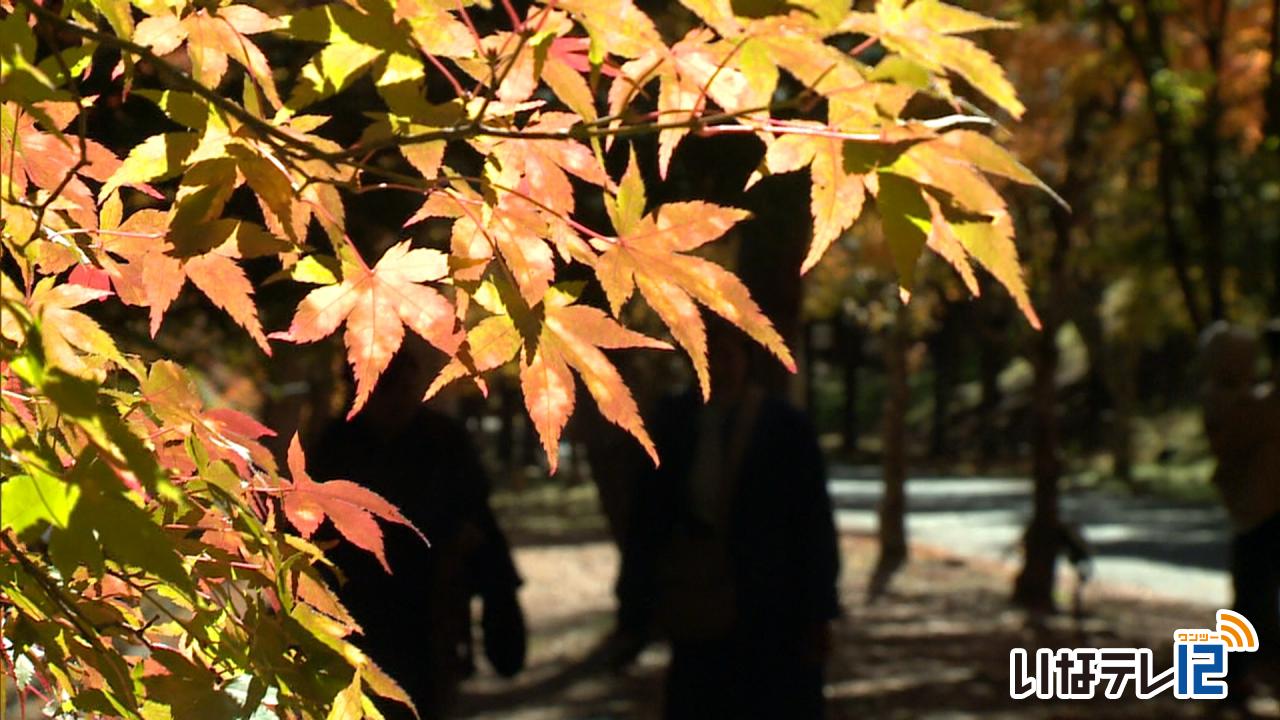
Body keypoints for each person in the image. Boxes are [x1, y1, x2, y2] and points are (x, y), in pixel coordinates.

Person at [613, 318, 841, 720]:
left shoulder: (783, 427)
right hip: (696, 590)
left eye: (727, 353)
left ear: (745, 359)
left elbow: (812, 521)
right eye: (709, 353)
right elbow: (647, 518)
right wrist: (636, 601)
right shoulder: (673, 422)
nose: (719, 364)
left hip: (770, 598)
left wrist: (819, 608)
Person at [308, 337, 526, 719]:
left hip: (432, 613)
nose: (397, 400)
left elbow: (478, 523)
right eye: (387, 389)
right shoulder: (335, 448)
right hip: (357, 612)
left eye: (406, 388)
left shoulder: (444, 441)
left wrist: (500, 600)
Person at [1200, 322, 1280, 708]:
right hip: (1257, 512)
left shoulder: (1244, 399)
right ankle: (1223, 682)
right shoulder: (1227, 402)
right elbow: (1253, 425)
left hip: (1261, 509)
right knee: (1250, 602)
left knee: (1253, 600)